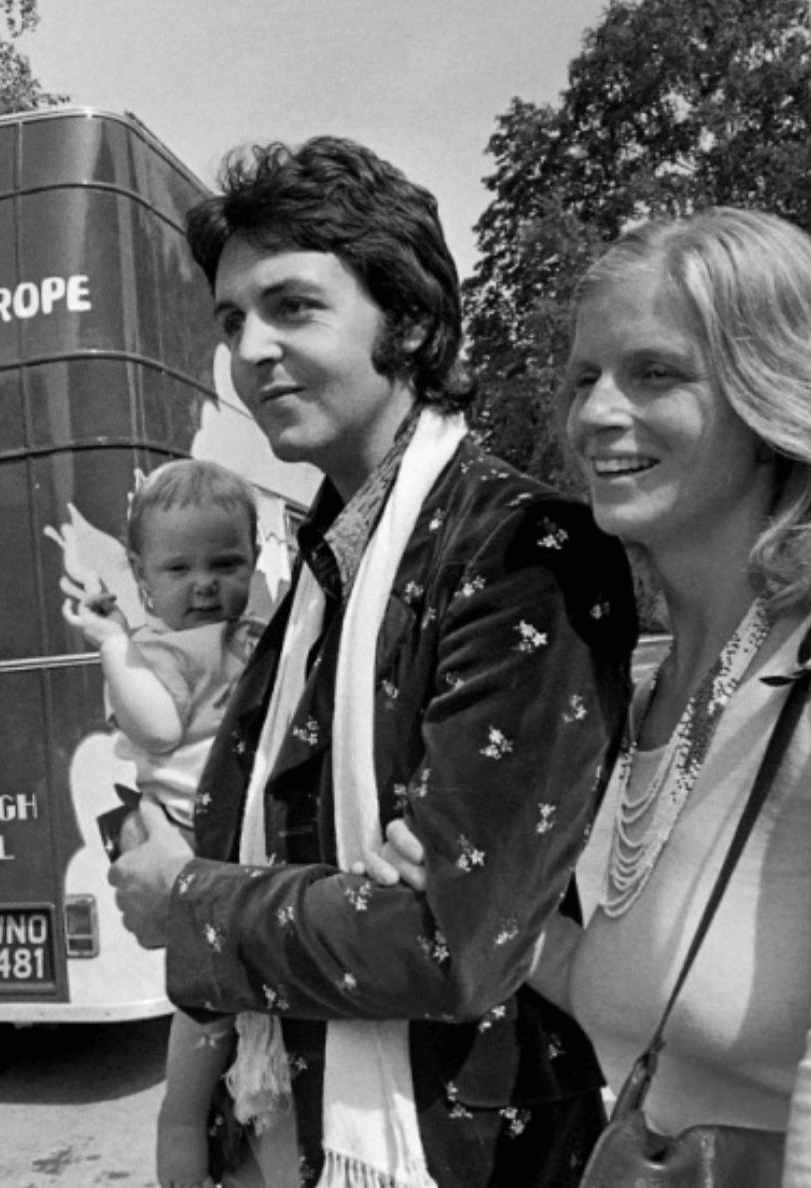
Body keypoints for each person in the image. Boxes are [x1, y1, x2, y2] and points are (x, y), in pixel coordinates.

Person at [375, 207, 811, 1187]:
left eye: (656, 373)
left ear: (781, 393)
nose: (594, 414)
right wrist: (467, 893)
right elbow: (632, 991)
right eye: (584, 377)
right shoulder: (645, 691)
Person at [107, 136, 638, 1188]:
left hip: (463, 1152)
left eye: (293, 308)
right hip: (277, 1132)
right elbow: (242, 839)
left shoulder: (525, 549)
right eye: (229, 321)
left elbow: (448, 940)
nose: (250, 350)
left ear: (411, 322)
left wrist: (190, 898)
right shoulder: (309, 569)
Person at [61, 457, 266, 1188]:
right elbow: (152, 728)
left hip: (241, 864)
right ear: (145, 582)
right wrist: (115, 645)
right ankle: (180, 1163)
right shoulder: (162, 650)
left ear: (257, 561)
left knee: (233, 1048)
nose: (205, 582)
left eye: (227, 561)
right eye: (180, 568)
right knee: (198, 1058)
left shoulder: (257, 630)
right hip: (196, 847)